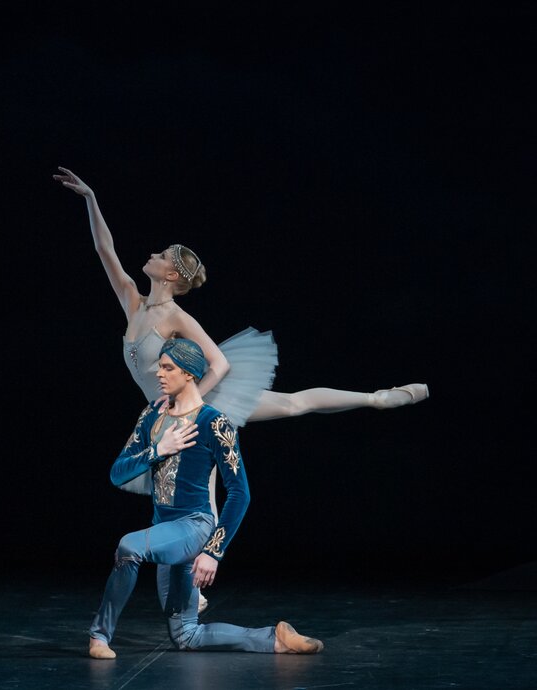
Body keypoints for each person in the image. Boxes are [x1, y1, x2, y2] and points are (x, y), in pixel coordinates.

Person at [54, 166, 429, 613]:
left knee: (285, 410)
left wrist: (189, 402)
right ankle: (193, 583)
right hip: (170, 409)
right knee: (195, 485)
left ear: (171, 274)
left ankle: (378, 398)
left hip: (197, 401)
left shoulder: (177, 317)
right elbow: (104, 248)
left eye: (161, 254)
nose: (151, 254)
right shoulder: (133, 301)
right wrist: (91, 198)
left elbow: (221, 363)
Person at [88, 337, 324, 659]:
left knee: (129, 548)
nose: (159, 373)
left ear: (189, 373)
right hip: (166, 533)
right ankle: (276, 640)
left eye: (167, 368)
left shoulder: (214, 422)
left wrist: (213, 551)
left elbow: (240, 493)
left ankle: (99, 636)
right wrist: (158, 450)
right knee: (186, 635)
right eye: (160, 367)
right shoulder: (152, 416)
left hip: (194, 528)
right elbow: (117, 473)